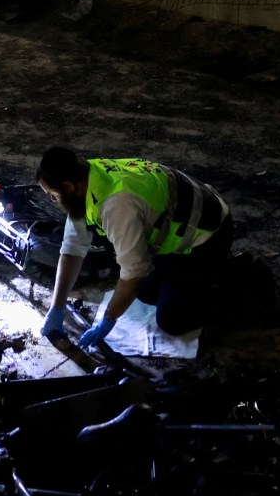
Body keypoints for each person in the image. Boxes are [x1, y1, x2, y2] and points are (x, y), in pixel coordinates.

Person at [34, 148, 233, 347]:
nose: (53, 201)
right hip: (182, 223)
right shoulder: (89, 175)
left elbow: (134, 273)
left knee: (171, 320)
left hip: (208, 237)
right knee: (145, 292)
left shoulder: (116, 205)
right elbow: (72, 249)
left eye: (52, 195)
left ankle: (229, 283)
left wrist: (109, 318)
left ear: (68, 187)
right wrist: (57, 306)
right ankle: (190, 279)